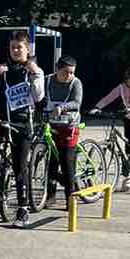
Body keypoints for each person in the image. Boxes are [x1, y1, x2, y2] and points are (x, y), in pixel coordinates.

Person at [0, 29, 46, 228]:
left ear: (27, 49)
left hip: (21, 122)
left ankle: (23, 208)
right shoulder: (3, 68)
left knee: (20, 166)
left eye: (19, 47)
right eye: (12, 47)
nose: (15, 50)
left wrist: (35, 73)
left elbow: (38, 96)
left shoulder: (34, 69)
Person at [43, 55, 83, 207]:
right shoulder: (47, 81)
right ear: (57, 69)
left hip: (69, 126)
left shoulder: (76, 83)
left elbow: (76, 103)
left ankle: (70, 198)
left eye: (72, 72)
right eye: (66, 72)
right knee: (51, 161)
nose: (69, 75)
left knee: (66, 161)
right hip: (51, 125)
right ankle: (50, 195)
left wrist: (61, 108)